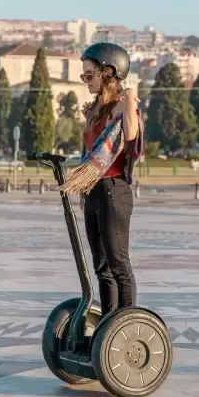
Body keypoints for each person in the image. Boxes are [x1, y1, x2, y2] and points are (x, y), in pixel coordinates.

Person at [74, 42, 143, 316]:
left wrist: (130, 98)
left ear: (108, 73)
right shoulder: (95, 109)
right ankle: (108, 321)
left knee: (118, 263)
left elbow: (131, 135)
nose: (86, 80)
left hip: (114, 192)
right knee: (101, 267)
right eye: (84, 75)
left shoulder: (120, 105)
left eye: (89, 74)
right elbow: (89, 151)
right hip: (94, 191)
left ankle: (126, 322)